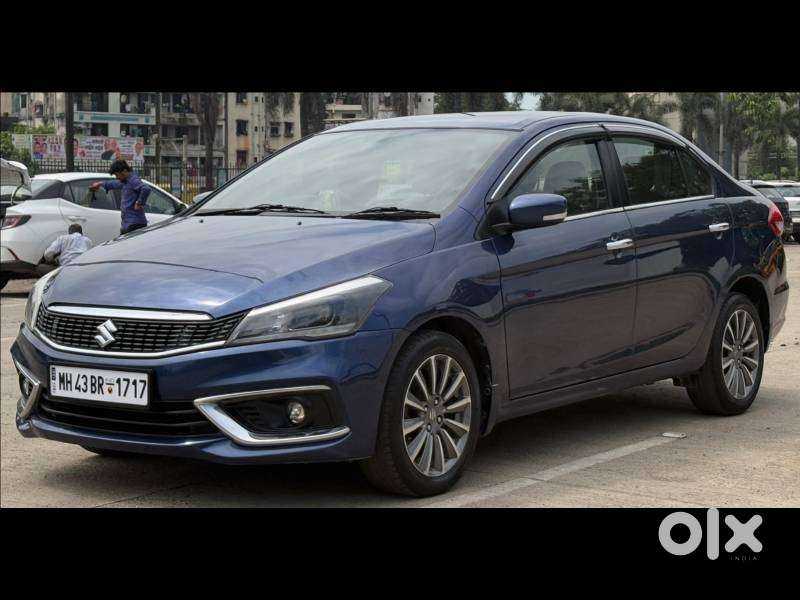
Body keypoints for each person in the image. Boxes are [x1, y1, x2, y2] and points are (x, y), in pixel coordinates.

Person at [90, 159, 150, 234]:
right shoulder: (125, 182)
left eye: (117, 175)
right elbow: (113, 184)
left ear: (124, 171)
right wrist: (100, 184)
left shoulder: (133, 180)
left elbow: (146, 189)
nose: (117, 177)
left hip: (135, 224)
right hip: (128, 223)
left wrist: (139, 202)